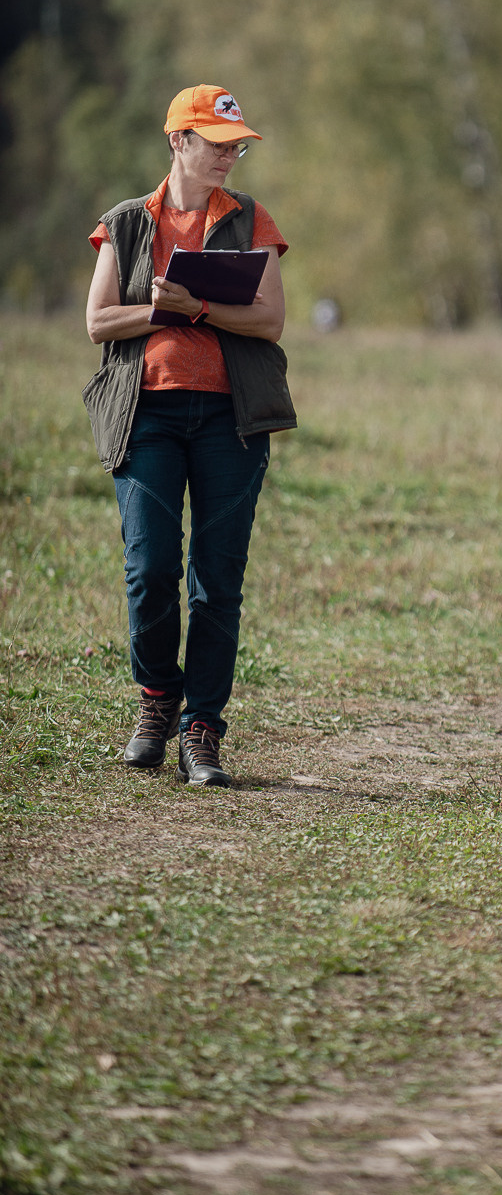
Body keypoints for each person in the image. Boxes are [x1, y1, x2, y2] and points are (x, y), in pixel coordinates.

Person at [84, 85, 296, 787]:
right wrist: (162, 310)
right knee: (149, 570)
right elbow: (98, 321)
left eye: (237, 147)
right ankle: (156, 701)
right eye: (217, 143)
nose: (229, 156)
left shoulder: (251, 219)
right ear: (179, 141)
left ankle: (201, 727)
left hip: (232, 421)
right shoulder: (126, 223)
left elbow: (269, 320)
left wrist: (197, 307)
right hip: (146, 415)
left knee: (217, 579)